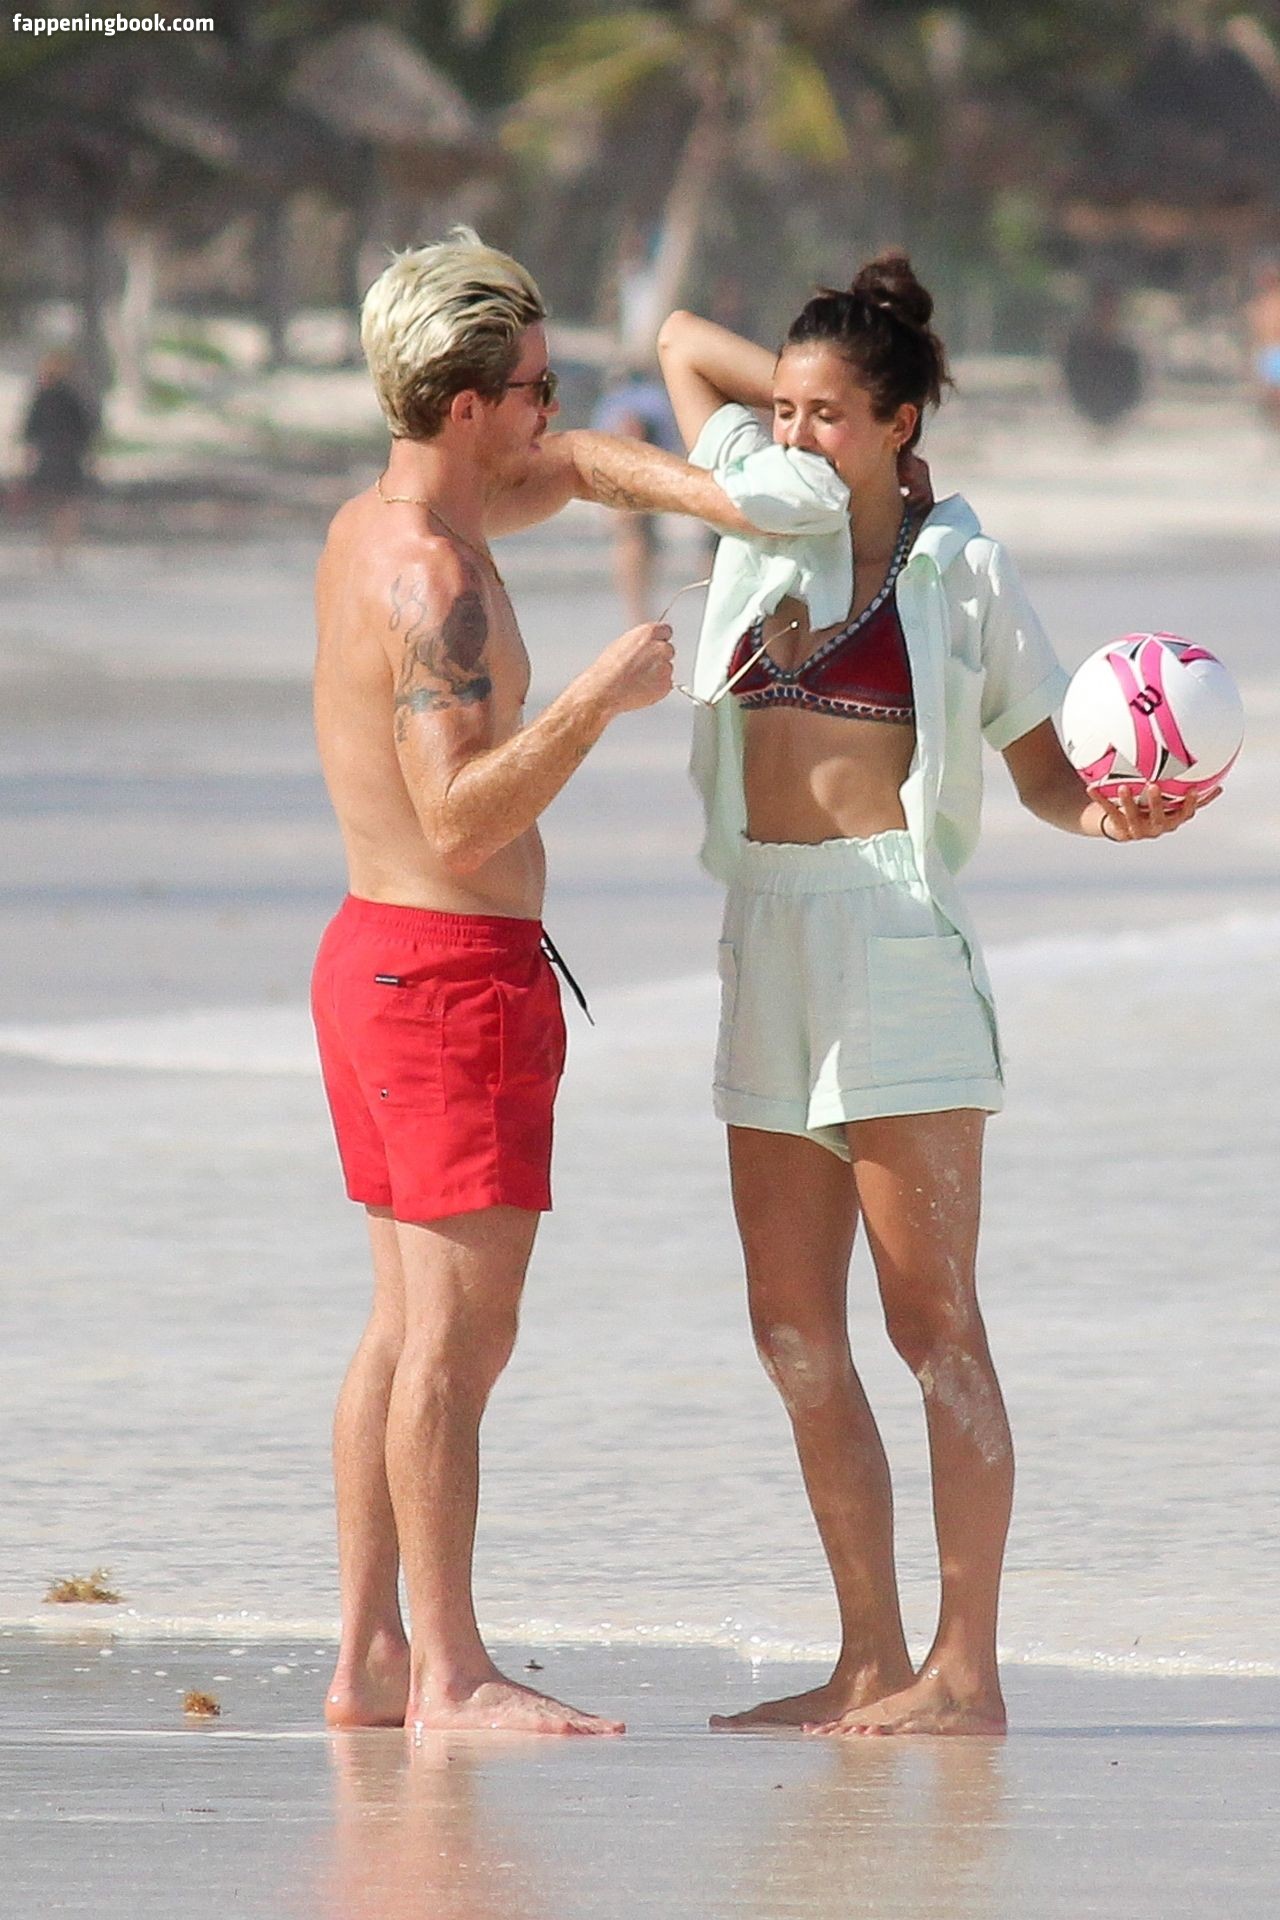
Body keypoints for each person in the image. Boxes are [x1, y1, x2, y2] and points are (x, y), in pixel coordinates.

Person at [657, 254, 1214, 1737]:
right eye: (783, 411)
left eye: (829, 414)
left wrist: (1119, 819)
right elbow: (677, 339)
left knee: (933, 1328)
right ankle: (866, 1656)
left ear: (902, 424)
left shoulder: (962, 569)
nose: (792, 435)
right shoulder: (753, 505)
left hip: (894, 942)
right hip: (763, 936)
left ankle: (964, 1672)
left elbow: (1043, 777)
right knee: (790, 1330)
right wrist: (798, 412)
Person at [311, 228, 755, 1737]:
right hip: (447, 979)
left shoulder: (379, 520)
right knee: (457, 1343)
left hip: (374, 959)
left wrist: (727, 500)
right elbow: (457, 814)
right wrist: (595, 699)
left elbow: (574, 472)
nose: (553, 414)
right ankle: (449, 1673)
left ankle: (373, 1658)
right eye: (535, 389)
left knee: (403, 1329)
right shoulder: (432, 577)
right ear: (465, 407)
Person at [590, 365, 683, 624]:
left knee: (635, 540)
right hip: (638, 471)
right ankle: (638, 609)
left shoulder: (620, 399)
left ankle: (637, 608)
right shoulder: (652, 398)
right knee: (635, 540)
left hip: (629, 471)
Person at [20, 351, 98, 566]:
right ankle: (63, 547)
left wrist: (28, 459)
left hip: (48, 458)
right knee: (69, 504)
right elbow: (87, 430)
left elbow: (30, 432)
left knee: (51, 504)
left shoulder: (42, 397)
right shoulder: (74, 396)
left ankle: (53, 547)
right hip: (70, 457)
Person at [1060, 282, 1144, 434]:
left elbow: (1135, 393)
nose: (1106, 315)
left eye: (1111, 309)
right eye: (1102, 308)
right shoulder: (1077, 352)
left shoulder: (1129, 355)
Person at [1245, 259, 1280, 432]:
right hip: (1266, 351)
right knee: (1268, 393)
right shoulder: (1260, 304)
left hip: (1276, 350)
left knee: (1276, 392)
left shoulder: (1275, 302)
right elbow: (1256, 330)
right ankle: (1274, 424)